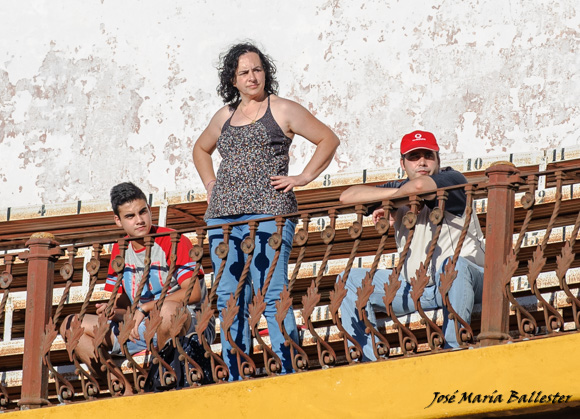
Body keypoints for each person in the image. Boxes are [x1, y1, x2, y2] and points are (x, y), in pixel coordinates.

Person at [193, 42, 340, 379]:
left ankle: (289, 369)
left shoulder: (283, 109)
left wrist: (302, 177)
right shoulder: (225, 115)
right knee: (231, 297)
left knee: (273, 292)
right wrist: (211, 184)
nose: (252, 77)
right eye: (243, 72)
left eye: (257, 69)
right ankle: (235, 374)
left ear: (265, 72)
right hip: (223, 220)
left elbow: (327, 139)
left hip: (270, 215)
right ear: (233, 79)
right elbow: (200, 150)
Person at [338, 130, 485, 359]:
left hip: (465, 280)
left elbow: (419, 188)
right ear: (403, 163)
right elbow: (347, 196)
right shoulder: (400, 186)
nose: (422, 162)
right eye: (414, 157)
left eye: (428, 155)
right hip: (416, 287)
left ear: (438, 160)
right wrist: (396, 198)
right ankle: (370, 359)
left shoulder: (452, 179)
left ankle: (454, 353)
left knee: (453, 265)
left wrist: (390, 201)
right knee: (348, 280)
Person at [60, 182, 215, 373]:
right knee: (70, 325)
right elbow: (124, 306)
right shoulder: (120, 249)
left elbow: (194, 294)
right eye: (130, 216)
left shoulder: (173, 240)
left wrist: (146, 307)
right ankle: (118, 384)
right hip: (140, 327)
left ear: (150, 211)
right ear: (118, 220)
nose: (139, 220)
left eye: (143, 212)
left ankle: (166, 373)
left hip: (186, 324)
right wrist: (111, 311)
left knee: (166, 312)